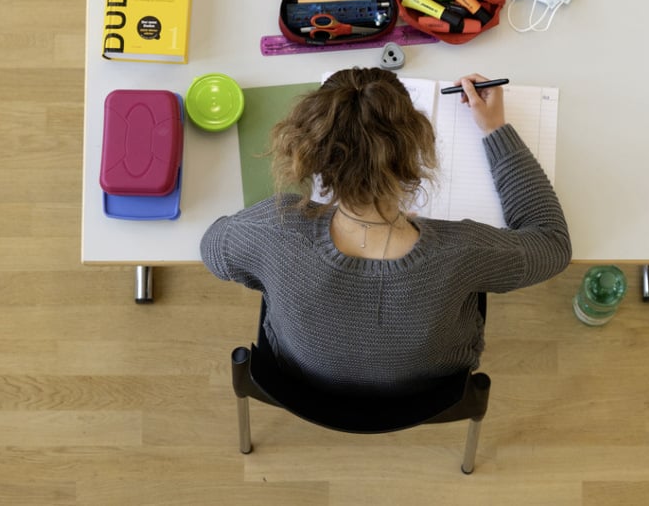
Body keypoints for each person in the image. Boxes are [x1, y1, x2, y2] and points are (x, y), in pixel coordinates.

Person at [201, 67, 571, 394]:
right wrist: (496, 129)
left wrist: (277, 274)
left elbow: (213, 247)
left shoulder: (275, 229)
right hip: (430, 390)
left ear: (310, 156)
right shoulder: (461, 252)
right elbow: (552, 243)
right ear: (414, 156)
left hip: (298, 379)